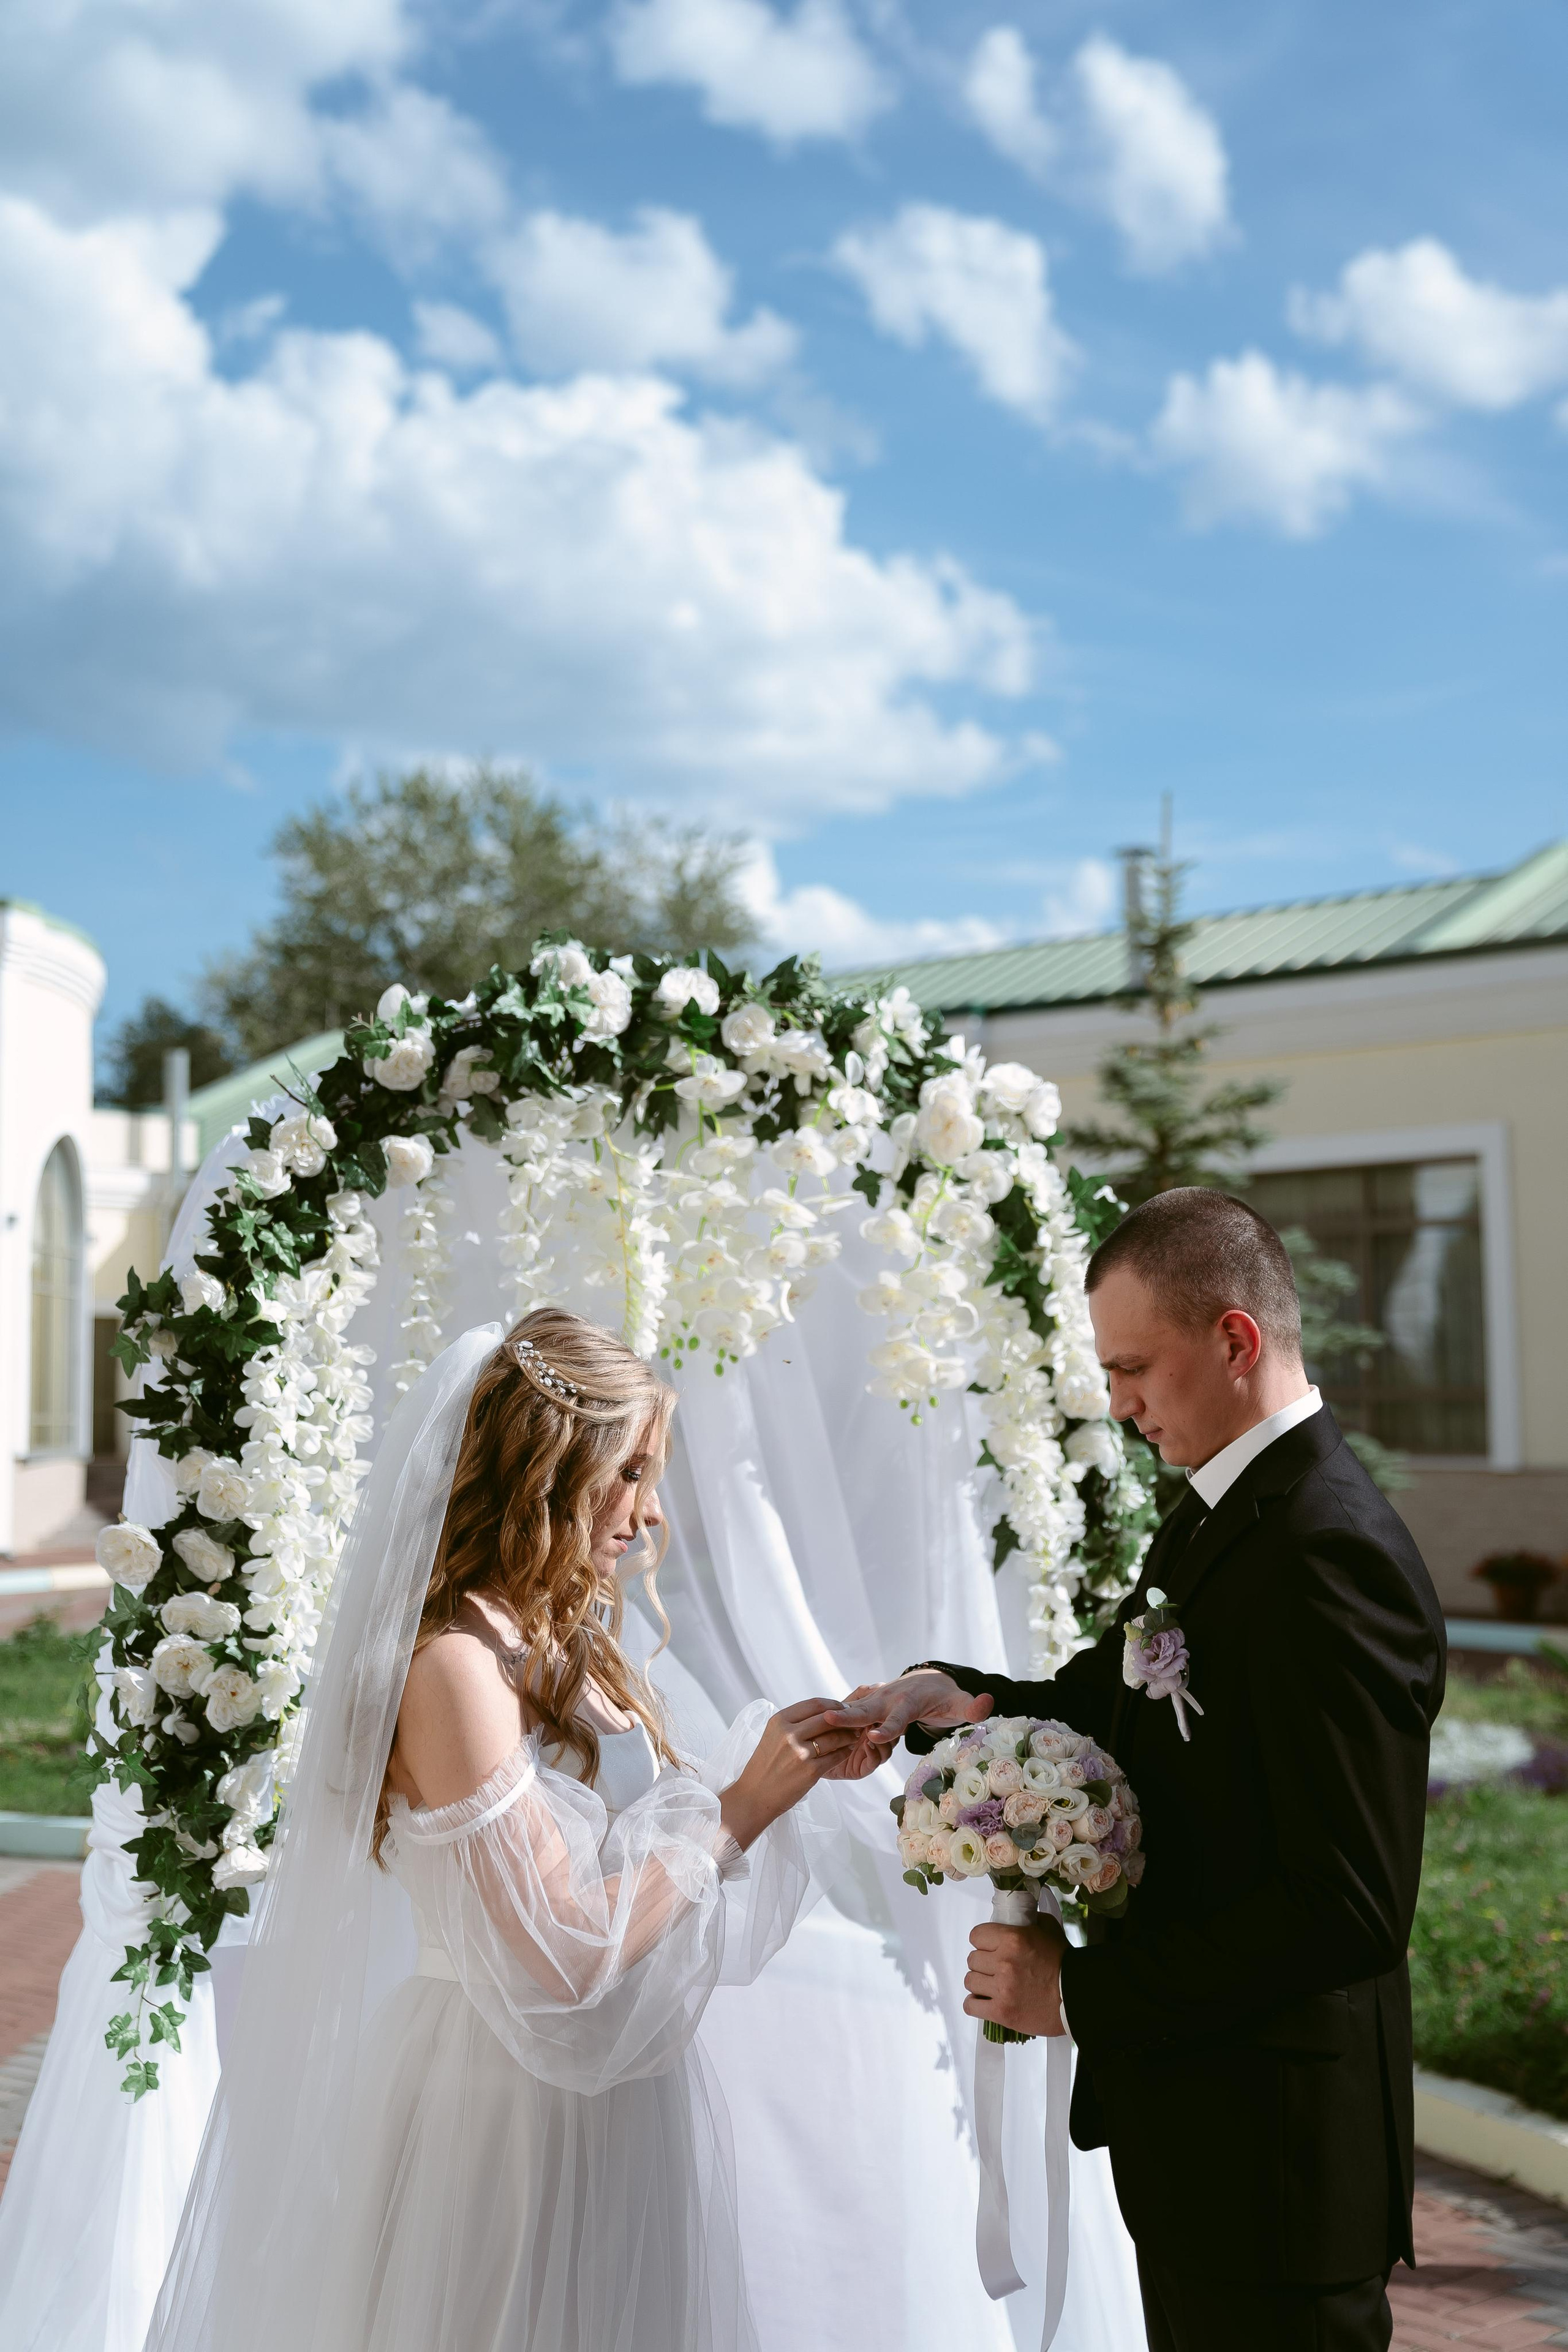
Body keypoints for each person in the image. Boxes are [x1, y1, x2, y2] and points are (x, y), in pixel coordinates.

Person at [146, 1308, 855, 2352]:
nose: (647, 1514)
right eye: (629, 1473)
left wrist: (808, 1751)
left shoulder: (565, 1638)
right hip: (499, 2106)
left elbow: (638, 1846)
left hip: (611, 2094)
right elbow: (562, 1951)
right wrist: (744, 1808)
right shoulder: (453, 1668)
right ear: (546, 1467)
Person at [829, 1188, 1445, 2352]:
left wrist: (1081, 1996)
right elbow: (1123, 1698)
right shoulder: (1223, 1508)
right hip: (1206, 2140)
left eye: (1135, 1368)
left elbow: (1351, 1906)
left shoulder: (1331, 1551)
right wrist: (960, 1701)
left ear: (1235, 1339)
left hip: (1281, 2170)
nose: (1117, 1404)